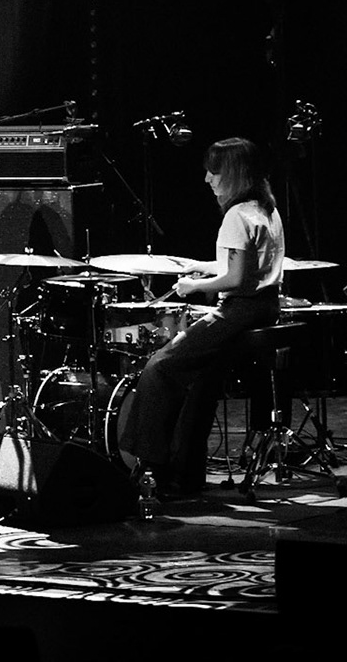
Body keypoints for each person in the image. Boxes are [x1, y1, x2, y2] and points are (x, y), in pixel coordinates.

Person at [117, 137, 284, 498]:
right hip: (266, 306)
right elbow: (243, 266)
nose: (208, 179)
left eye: (214, 171)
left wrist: (194, 286)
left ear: (234, 174)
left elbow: (236, 279)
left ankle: (149, 466)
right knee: (198, 381)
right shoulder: (264, 209)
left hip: (239, 310)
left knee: (160, 367)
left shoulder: (235, 217)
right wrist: (199, 267)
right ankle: (184, 474)